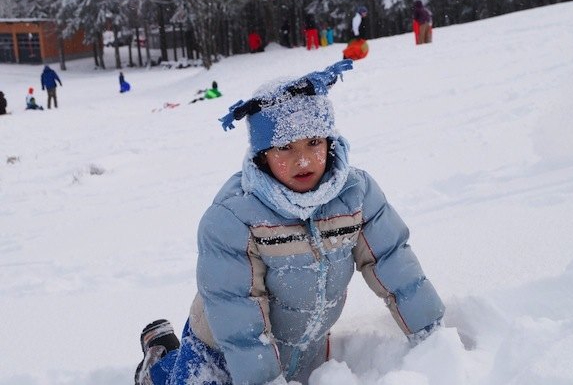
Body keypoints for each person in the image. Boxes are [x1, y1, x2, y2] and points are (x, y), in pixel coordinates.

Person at [134, 60, 445, 385]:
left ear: (329, 141)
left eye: (313, 143)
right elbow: (238, 313)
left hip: (305, 343)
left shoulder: (357, 195)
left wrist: (431, 336)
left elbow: (395, 266)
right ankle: (158, 359)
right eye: (285, 147)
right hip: (222, 345)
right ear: (262, 155)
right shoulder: (235, 216)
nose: (303, 160)